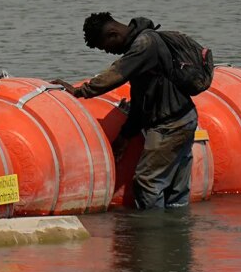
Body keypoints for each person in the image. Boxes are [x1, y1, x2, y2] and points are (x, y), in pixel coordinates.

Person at [52, 13, 198, 210]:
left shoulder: (144, 45)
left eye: (105, 47)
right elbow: (141, 102)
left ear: (113, 34)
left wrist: (79, 91)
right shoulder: (146, 43)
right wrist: (126, 135)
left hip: (169, 126)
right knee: (175, 191)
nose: (108, 52)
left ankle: (152, 235)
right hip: (183, 118)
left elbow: (115, 74)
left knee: (147, 183)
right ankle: (175, 234)